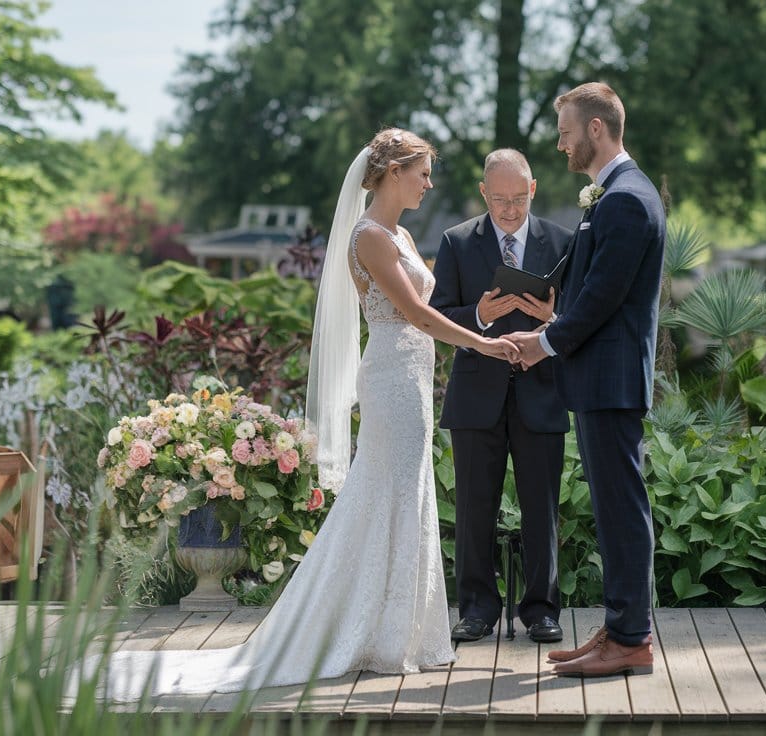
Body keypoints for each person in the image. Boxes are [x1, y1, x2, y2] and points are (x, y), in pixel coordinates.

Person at [76, 128, 520, 700]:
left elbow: (431, 308)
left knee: (408, 496)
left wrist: (480, 313)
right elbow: (413, 313)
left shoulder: (404, 235)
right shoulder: (370, 239)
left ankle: (400, 632)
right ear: (392, 172)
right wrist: (482, 343)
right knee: (383, 494)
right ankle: (369, 634)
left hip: (412, 378)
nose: (429, 183)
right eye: (423, 172)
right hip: (389, 376)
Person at [506, 82, 666, 678]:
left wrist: (543, 344)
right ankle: (623, 627)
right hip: (603, 378)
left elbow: (602, 299)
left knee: (622, 508)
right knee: (614, 506)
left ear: (596, 129)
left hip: (611, 379)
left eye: (566, 131)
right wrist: (551, 312)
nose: (561, 143)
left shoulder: (625, 199)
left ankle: (630, 639)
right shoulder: (618, 194)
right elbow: (590, 287)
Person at [430, 149, 570, 645]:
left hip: (542, 394)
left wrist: (554, 319)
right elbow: (438, 317)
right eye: (499, 199)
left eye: (518, 198)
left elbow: (581, 318)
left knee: (541, 507)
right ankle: (476, 608)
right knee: (473, 507)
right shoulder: (456, 241)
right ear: (483, 192)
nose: (509, 210)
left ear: (532, 190)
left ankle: (541, 611)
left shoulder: (563, 242)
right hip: (475, 396)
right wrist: (482, 316)